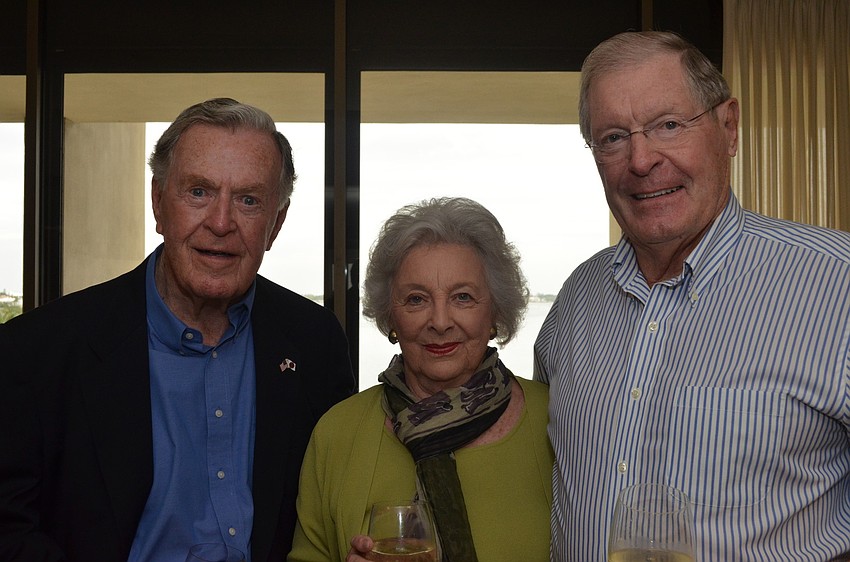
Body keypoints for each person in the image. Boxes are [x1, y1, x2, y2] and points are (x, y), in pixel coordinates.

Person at [534, 30, 850, 561]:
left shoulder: (836, 283)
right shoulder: (575, 303)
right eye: (613, 137)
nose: (640, 160)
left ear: (728, 127)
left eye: (669, 126)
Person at [0, 98, 356, 562]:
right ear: (158, 203)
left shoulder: (314, 343)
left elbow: (335, 513)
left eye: (249, 200)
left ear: (276, 223)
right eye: (199, 192)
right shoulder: (39, 350)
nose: (222, 222)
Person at [287, 197, 554, 562]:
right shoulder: (337, 433)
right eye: (416, 299)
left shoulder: (556, 420)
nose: (440, 321)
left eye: (463, 297)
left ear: (494, 312)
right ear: (391, 318)